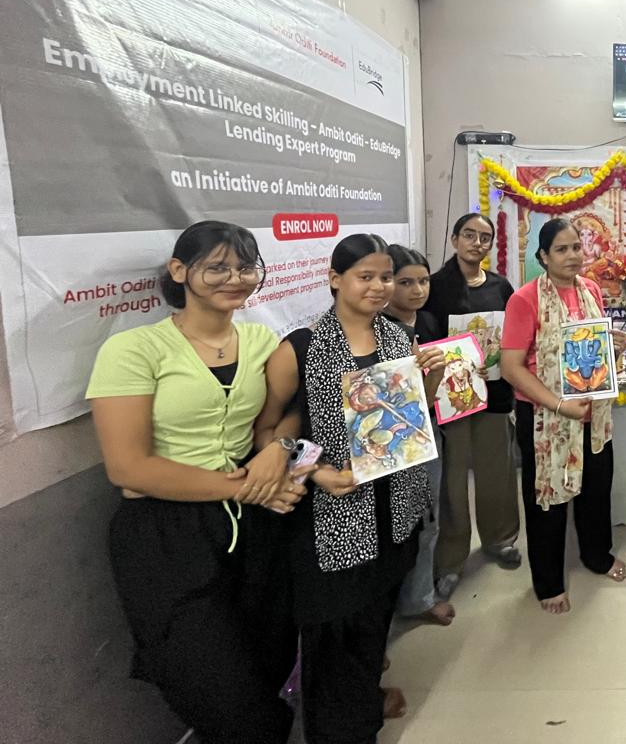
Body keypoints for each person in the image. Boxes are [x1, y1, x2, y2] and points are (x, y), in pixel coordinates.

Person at [87, 221, 308, 744]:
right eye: (217, 267)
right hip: (168, 537)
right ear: (180, 271)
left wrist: (278, 449)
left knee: (266, 662)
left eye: (245, 267)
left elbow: (289, 411)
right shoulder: (135, 350)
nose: (235, 278)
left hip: (258, 532)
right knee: (218, 693)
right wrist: (248, 487)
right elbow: (128, 468)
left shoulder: (260, 340)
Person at [257, 234, 443, 744]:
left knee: (374, 620)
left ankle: (366, 703)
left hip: (394, 507)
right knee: (334, 632)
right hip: (333, 520)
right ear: (335, 279)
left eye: (386, 276)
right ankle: (344, 727)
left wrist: (431, 380)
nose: (380, 287)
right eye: (366, 276)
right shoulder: (302, 347)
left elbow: (411, 419)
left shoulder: (399, 339)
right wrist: (315, 472)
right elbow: (269, 432)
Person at [500, 218, 626, 614]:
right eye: (561, 249)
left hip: (592, 412)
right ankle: (548, 582)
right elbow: (512, 367)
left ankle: (596, 555)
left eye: (577, 247)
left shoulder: (590, 290)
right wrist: (558, 404)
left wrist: (612, 343)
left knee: (595, 488)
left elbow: (587, 347)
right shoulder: (525, 299)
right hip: (545, 417)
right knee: (547, 499)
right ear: (543, 256)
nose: (573, 256)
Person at [422, 214, 521, 599]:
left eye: (484, 238)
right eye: (469, 235)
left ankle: (499, 539)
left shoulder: (500, 287)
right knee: (451, 484)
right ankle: (450, 560)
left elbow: (511, 336)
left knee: (497, 473)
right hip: (453, 399)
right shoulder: (436, 287)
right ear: (454, 240)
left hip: (494, 396)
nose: (477, 243)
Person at [384, 244, 453, 627]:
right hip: (392, 444)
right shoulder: (379, 331)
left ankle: (418, 597)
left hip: (429, 430)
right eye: (404, 281)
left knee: (427, 521)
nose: (416, 290)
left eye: (423, 280)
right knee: (397, 528)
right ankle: (385, 617)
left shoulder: (425, 322)